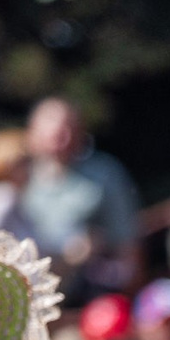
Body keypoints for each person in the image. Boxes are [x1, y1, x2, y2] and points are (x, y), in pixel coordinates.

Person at [15, 98, 143, 297]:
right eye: (56, 134)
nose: (63, 139)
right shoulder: (15, 181)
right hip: (29, 293)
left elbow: (129, 250)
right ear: (32, 134)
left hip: (92, 292)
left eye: (69, 130)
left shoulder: (104, 176)